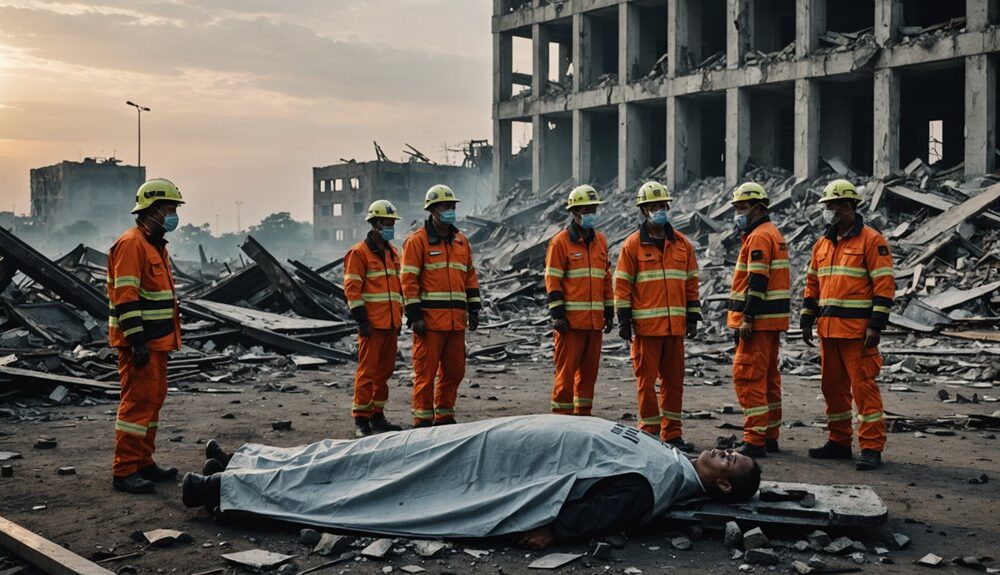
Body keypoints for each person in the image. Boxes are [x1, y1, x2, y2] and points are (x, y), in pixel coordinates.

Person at [183, 415, 762, 549]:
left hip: (490, 466)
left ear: (725, 491)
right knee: (370, 451)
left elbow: (581, 519)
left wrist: (546, 532)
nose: (727, 450)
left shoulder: (654, 487)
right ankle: (246, 462)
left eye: (732, 462)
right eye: (732, 449)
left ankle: (222, 493)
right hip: (495, 438)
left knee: (369, 481)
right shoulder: (670, 459)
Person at [801, 180, 895, 471]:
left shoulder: (871, 240)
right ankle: (839, 441)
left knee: (863, 390)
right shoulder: (823, 244)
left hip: (857, 334)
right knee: (832, 389)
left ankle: (871, 447)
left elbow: (884, 286)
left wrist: (875, 326)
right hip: (829, 332)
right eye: (826, 207)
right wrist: (806, 317)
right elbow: (812, 283)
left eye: (831, 207)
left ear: (847, 207)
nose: (827, 213)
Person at [107, 178, 184, 494]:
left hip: (157, 341)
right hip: (140, 343)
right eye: (168, 209)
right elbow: (126, 296)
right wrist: (137, 340)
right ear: (151, 210)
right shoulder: (132, 244)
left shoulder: (155, 244)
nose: (172, 216)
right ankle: (124, 470)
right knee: (137, 405)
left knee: (152, 402)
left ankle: (143, 462)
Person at [614, 182, 701, 451]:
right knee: (646, 385)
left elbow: (691, 282)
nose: (659, 211)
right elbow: (623, 284)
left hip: (674, 329)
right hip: (647, 329)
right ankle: (649, 434)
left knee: (674, 384)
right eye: (653, 207)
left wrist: (693, 316)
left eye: (662, 206)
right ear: (643, 210)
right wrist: (624, 319)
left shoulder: (682, 245)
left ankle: (672, 434)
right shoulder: (632, 246)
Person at [401, 185, 481, 427]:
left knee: (455, 372)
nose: (451, 210)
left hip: (456, 322)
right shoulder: (417, 242)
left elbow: (470, 277)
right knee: (425, 374)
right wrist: (415, 316)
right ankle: (422, 421)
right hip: (430, 323)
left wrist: (474, 308)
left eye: (453, 206)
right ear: (433, 209)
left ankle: (444, 416)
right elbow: (408, 280)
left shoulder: (461, 242)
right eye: (446, 207)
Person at [726, 183, 791, 458]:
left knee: (749, 377)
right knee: (768, 379)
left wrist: (747, 318)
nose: (738, 213)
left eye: (742, 208)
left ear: (758, 208)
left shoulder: (759, 237)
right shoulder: (771, 234)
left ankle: (754, 440)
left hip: (758, 322)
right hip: (771, 323)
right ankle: (769, 435)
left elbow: (757, 280)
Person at [544, 185, 614, 416]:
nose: (591, 213)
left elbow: (605, 278)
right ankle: (562, 421)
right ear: (574, 212)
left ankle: (583, 416)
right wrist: (558, 316)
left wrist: (609, 311)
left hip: (594, 323)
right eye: (587, 209)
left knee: (589, 374)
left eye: (593, 208)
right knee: (566, 375)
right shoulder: (560, 243)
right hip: (570, 324)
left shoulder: (601, 242)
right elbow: (553, 280)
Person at [343, 200, 405, 438]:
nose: (391, 228)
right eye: (388, 223)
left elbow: (397, 289)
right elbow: (352, 289)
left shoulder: (392, 253)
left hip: (390, 323)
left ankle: (377, 416)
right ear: (376, 224)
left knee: (384, 372)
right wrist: (362, 320)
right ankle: (361, 420)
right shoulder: (359, 253)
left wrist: (398, 318)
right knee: (367, 372)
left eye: (392, 223)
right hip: (372, 324)